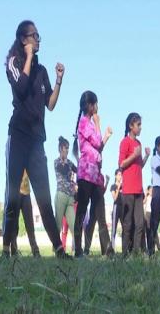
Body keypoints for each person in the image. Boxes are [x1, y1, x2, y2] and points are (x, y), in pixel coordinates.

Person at [3, 20, 69, 258]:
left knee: (43, 195)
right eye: (35, 35)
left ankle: (59, 249)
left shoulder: (41, 71)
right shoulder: (14, 62)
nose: (38, 39)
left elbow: (50, 104)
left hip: (37, 140)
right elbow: (20, 88)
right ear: (24, 39)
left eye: (39, 36)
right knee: (13, 195)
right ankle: (5, 249)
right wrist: (28, 57)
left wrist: (59, 80)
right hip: (18, 136)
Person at [72, 91, 113, 258]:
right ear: (89, 106)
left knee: (100, 212)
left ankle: (107, 250)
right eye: (95, 104)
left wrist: (106, 137)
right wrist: (98, 123)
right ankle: (79, 251)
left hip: (96, 176)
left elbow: (99, 146)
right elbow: (96, 141)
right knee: (81, 211)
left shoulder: (89, 123)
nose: (97, 107)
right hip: (85, 175)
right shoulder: (83, 123)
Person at [118, 113, 151, 256]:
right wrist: (134, 155)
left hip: (139, 190)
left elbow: (139, 166)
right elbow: (121, 164)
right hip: (128, 190)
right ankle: (125, 253)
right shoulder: (125, 142)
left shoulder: (138, 144)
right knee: (128, 223)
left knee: (140, 223)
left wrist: (146, 156)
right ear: (131, 126)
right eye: (138, 125)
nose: (140, 128)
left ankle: (136, 253)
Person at [9, 170, 41, 257]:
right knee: (14, 224)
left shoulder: (27, 159)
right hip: (16, 193)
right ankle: (14, 251)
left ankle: (35, 251)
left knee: (30, 223)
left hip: (26, 193)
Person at [54, 136, 77, 255]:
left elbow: (78, 170)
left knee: (73, 225)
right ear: (60, 149)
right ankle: (57, 250)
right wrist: (64, 160)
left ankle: (78, 250)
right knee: (58, 225)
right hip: (60, 196)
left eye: (68, 148)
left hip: (70, 198)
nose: (66, 151)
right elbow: (62, 170)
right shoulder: (57, 162)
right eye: (64, 148)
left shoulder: (70, 163)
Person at [84, 174, 111, 255]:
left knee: (102, 224)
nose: (100, 163)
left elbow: (102, 191)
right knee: (91, 225)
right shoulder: (91, 174)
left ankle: (106, 251)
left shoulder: (101, 176)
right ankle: (86, 249)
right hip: (93, 201)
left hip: (100, 200)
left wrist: (107, 182)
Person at [143, 186, 160, 252]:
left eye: (153, 190)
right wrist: (145, 194)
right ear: (148, 191)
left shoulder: (155, 198)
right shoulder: (147, 198)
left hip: (153, 213)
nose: (152, 191)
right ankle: (150, 247)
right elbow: (143, 202)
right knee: (148, 231)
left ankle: (158, 247)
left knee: (154, 231)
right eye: (150, 190)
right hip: (147, 214)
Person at [110, 169, 123, 250]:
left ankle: (125, 248)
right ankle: (112, 249)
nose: (120, 176)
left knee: (125, 228)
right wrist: (118, 188)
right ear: (115, 176)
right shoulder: (113, 186)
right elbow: (114, 198)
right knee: (114, 229)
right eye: (118, 174)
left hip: (123, 208)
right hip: (116, 207)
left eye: (121, 174)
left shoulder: (124, 186)